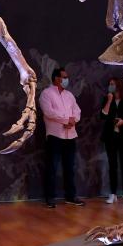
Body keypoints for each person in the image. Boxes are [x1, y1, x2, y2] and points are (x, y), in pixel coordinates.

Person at [38, 67, 83, 207]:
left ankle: (70, 196)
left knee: (70, 168)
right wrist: (66, 120)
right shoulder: (46, 93)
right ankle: (50, 198)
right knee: (52, 168)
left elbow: (77, 110)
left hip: (70, 136)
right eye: (64, 77)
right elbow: (48, 112)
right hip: (55, 136)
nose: (66, 80)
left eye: (66, 77)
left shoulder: (69, 95)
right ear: (56, 78)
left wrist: (73, 120)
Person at [99, 76, 123, 205]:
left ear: (119, 86)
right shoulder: (106, 99)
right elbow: (102, 115)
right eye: (109, 84)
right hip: (110, 137)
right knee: (112, 166)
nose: (111, 86)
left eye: (113, 84)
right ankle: (113, 194)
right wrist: (109, 101)